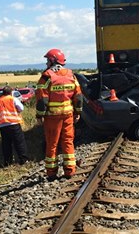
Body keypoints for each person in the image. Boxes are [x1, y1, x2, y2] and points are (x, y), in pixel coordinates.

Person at [36, 48, 83, 180]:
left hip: (52, 116)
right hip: (68, 114)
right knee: (68, 141)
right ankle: (70, 171)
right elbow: (78, 96)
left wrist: (40, 115)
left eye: (47, 60)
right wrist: (78, 112)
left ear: (52, 61)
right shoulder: (71, 75)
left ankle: (51, 173)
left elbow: (42, 98)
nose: (46, 63)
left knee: (52, 144)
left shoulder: (46, 76)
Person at [0, 86, 28, 166]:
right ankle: (23, 160)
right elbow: (21, 108)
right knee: (19, 142)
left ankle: (7, 162)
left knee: (6, 144)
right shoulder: (12, 99)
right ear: (10, 92)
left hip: (2, 125)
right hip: (13, 123)